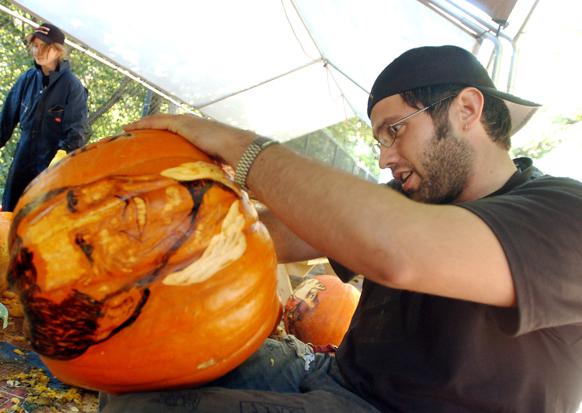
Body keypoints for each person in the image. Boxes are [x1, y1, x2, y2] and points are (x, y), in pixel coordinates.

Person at [103, 45, 582, 412]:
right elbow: (264, 235)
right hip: (335, 380)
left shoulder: (563, 212)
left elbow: (399, 250)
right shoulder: (412, 199)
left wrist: (242, 149)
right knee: (131, 378)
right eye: (379, 139)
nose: (385, 156)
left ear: (467, 110)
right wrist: (173, 216)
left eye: (395, 130)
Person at [0, 23, 90, 212]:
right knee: (9, 211)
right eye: (35, 45)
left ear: (58, 51)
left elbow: (78, 128)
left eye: (44, 46)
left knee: (35, 218)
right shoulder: (26, 79)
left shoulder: (72, 87)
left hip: (51, 166)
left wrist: (64, 152)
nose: (38, 51)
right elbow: (7, 118)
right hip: (22, 157)